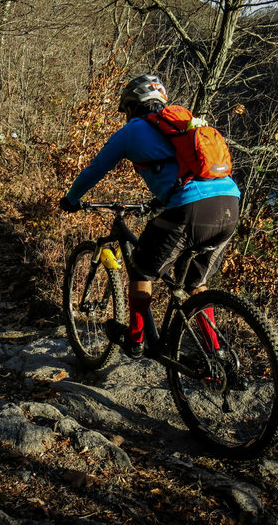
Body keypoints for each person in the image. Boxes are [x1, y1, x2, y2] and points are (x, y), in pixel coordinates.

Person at [59, 74, 241, 357]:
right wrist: (160, 200)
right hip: (230, 204)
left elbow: (95, 169)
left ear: (132, 107)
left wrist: (71, 199)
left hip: (189, 207)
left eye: (126, 110)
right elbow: (185, 169)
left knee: (142, 268)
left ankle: (136, 340)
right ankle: (217, 356)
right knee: (196, 285)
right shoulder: (183, 124)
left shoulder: (133, 130)